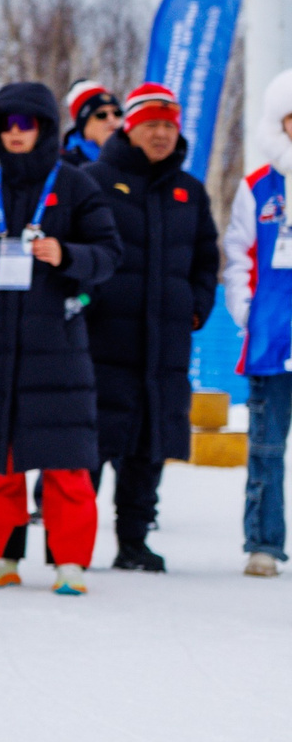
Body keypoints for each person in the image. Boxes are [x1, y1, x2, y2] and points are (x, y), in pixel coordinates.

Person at [0, 82, 120, 595]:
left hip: (59, 350)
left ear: (42, 128)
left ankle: (71, 562)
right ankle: (1, 557)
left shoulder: (78, 186)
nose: (16, 134)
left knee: (66, 463)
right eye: (7, 125)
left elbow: (109, 254)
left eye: (27, 124)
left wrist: (66, 256)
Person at [81, 83, 218, 573]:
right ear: (131, 128)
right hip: (102, 341)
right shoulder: (92, 179)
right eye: (152, 124)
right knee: (89, 445)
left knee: (149, 445)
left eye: (169, 125)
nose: (161, 134)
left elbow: (206, 261)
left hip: (164, 346)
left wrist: (196, 307)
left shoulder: (189, 191)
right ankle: (68, 544)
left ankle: (134, 542)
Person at [220, 67, 292, 577]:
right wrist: (248, 313)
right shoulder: (257, 188)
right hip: (273, 341)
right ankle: (263, 543)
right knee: (266, 448)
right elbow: (237, 257)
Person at [63, 80, 121, 164]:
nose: (111, 119)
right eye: (101, 115)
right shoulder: (62, 165)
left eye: (117, 113)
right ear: (83, 124)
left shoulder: (133, 160)